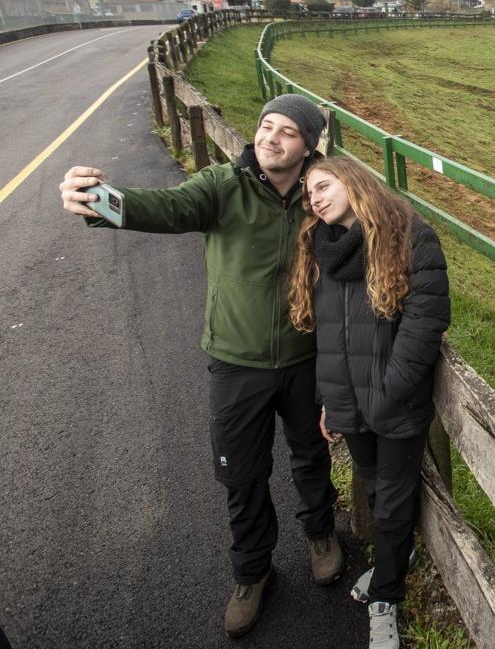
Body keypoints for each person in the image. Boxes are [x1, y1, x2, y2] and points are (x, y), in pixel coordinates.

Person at [59, 94, 343, 638]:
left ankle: (322, 534)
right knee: (242, 476)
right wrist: (100, 202)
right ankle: (252, 572)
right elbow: (163, 209)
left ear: (308, 145)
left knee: (311, 455)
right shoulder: (222, 187)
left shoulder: (320, 196)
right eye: (265, 126)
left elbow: (372, 225)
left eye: (287, 131)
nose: (270, 138)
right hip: (237, 362)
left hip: (306, 359)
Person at [288, 157, 450, 649]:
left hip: (395, 403)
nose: (313, 197)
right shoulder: (323, 248)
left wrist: (389, 391)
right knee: (377, 491)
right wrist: (330, 404)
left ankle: (387, 596)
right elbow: (331, 339)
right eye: (307, 193)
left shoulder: (410, 236)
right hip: (350, 405)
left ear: (354, 181)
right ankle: (394, 561)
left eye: (322, 184)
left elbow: (425, 323)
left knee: (395, 498)